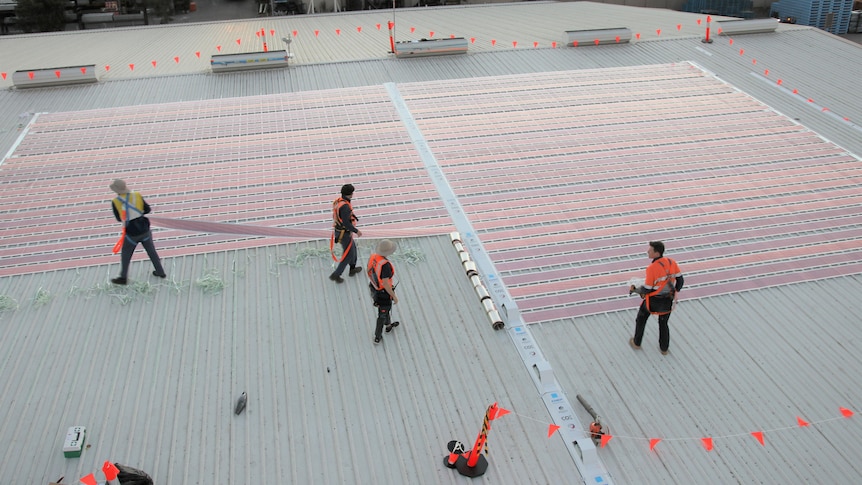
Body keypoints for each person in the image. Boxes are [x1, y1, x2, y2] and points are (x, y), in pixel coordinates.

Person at [629, 241, 684, 355]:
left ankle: (637, 342)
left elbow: (647, 289)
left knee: (641, 319)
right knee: (663, 323)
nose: (647, 251)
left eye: (650, 250)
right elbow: (680, 280)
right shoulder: (671, 262)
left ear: (656, 253)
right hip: (668, 300)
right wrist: (675, 292)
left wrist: (634, 290)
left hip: (653, 301)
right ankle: (664, 349)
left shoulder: (652, 268)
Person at [109, 179, 166, 285]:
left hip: (131, 232)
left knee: (126, 254)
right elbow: (148, 209)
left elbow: (118, 218)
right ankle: (160, 272)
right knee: (152, 252)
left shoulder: (115, 202)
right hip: (144, 228)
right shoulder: (137, 195)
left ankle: (123, 277)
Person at [329, 184, 363, 283]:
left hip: (340, 231)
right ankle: (336, 274)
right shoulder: (345, 207)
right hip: (344, 233)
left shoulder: (339, 201)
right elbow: (346, 223)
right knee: (348, 254)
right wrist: (357, 231)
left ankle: (352, 268)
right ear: (351, 194)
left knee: (353, 249)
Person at [368, 239, 399, 345]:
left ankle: (388, 325)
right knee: (382, 313)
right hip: (383, 293)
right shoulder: (385, 266)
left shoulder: (374, 257)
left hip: (373, 287)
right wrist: (393, 295)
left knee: (385, 308)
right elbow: (385, 283)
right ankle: (377, 336)